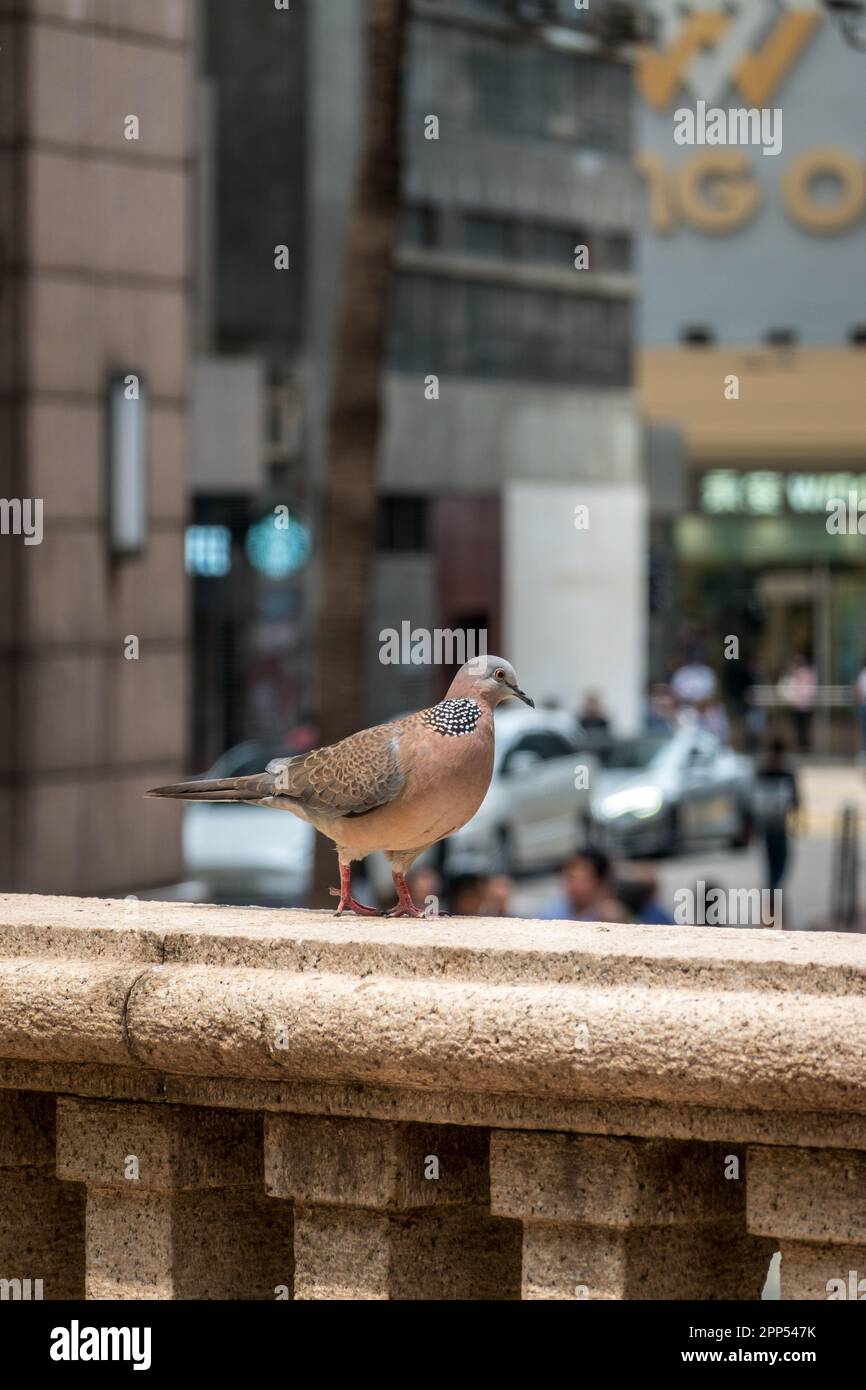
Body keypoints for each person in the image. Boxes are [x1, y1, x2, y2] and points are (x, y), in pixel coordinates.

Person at [753, 738, 800, 896]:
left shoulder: (775, 770)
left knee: (778, 863)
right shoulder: (770, 771)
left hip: (776, 827)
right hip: (772, 828)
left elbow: (795, 800)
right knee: (776, 863)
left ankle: (772, 890)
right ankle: (773, 890)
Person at [537, 848, 630, 923]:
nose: (571, 885)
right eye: (569, 877)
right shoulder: (551, 912)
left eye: (581, 879)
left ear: (599, 881)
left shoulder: (613, 916)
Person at [777, 654, 816, 753]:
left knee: (803, 728)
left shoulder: (803, 673)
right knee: (801, 728)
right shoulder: (802, 673)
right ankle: (802, 746)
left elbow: (808, 689)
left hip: (803, 704)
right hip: (799, 704)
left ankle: (804, 746)